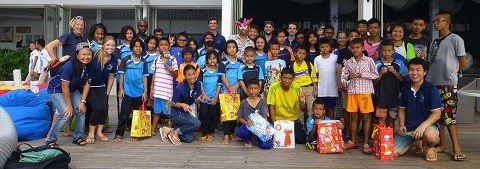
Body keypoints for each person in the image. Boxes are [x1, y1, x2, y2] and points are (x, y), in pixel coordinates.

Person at [426, 11, 468, 161]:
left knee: (449, 116)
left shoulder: (456, 39)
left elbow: (463, 62)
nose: (435, 23)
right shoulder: (434, 41)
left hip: (448, 83)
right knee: (436, 116)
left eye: (438, 20)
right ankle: (443, 144)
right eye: (434, 21)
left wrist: (452, 69)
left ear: (447, 22)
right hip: (432, 83)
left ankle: (457, 148)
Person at [45, 42, 93, 147]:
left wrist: (83, 102)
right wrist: (69, 106)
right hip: (57, 89)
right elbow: (64, 86)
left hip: (72, 89)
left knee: (81, 111)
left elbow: (86, 84)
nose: (86, 57)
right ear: (77, 55)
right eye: (83, 54)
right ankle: (50, 139)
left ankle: (78, 137)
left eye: (88, 54)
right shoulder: (70, 66)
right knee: (65, 113)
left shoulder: (90, 66)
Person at [394, 58, 442, 162]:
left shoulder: (431, 89)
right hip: (409, 129)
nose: (414, 73)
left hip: (427, 128)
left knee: (431, 137)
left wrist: (422, 126)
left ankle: (429, 147)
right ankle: (417, 142)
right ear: (407, 71)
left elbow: (437, 113)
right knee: (392, 152)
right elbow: (402, 109)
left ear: (424, 72)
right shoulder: (405, 88)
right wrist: (401, 125)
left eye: (418, 69)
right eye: (411, 69)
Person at [342, 38, 379, 153]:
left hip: (365, 93)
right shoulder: (348, 62)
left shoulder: (369, 61)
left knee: (366, 118)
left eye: (357, 47)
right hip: (352, 92)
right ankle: (353, 141)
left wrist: (361, 74)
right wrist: (348, 77)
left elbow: (375, 75)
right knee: (353, 117)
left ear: (363, 48)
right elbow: (344, 78)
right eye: (353, 48)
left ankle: (367, 143)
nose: (355, 50)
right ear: (350, 48)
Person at [114, 39, 149, 142]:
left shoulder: (144, 61)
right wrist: (121, 89)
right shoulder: (126, 59)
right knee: (124, 113)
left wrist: (145, 91)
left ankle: (135, 133)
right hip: (128, 91)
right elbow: (121, 74)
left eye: (140, 46)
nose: (138, 48)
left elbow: (145, 77)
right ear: (132, 48)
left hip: (139, 92)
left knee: (137, 114)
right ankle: (119, 134)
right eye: (136, 46)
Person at [159, 65, 203, 145]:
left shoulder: (197, 84)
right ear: (185, 76)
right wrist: (182, 104)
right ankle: (175, 132)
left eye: (193, 74)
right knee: (197, 123)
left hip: (185, 113)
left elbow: (194, 100)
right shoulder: (180, 88)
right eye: (189, 75)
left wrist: (198, 100)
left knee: (188, 138)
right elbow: (171, 103)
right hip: (175, 112)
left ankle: (168, 130)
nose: (192, 77)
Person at [85, 36, 117, 143]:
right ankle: (90, 133)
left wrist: (107, 92)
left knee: (105, 108)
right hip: (89, 86)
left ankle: (99, 132)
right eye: (108, 45)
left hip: (101, 86)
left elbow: (111, 77)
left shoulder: (114, 59)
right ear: (103, 45)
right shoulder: (94, 55)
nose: (110, 47)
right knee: (97, 108)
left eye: (112, 45)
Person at [267, 68, 307, 144]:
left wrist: (302, 102)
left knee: (301, 140)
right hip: (278, 119)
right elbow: (271, 107)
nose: (287, 81)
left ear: (293, 79)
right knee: (272, 139)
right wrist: (274, 124)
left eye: (290, 78)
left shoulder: (297, 88)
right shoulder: (273, 87)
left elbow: (303, 109)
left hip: (293, 119)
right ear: (280, 77)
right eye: (285, 78)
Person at [335, 29, 362, 140]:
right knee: (346, 108)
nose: (353, 37)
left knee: (357, 110)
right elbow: (340, 67)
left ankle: (354, 133)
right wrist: (339, 82)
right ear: (347, 38)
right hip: (346, 84)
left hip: (359, 86)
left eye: (356, 36)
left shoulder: (361, 52)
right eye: (351, 36)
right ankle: (346, 130)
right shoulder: (344, 52)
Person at [150, 40, 178, 136]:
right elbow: (154, 74)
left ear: (169, 47)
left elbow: (176, 74)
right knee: (156, 111)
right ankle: (153, 129)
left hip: (167, 92)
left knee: (168, 112)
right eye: (161, 45)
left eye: (166, 45)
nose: (164, 47)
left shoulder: (173, 59)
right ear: (158, 47)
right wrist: (151, 88)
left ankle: (169, 131)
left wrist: (170, 69)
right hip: (157, 91)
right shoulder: (156, 60)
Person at [375, 40, 405, 128]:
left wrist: (394, 72)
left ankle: (389, 140)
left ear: (393, 51)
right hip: (381, 96)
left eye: (389, 51)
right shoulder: (377, 64)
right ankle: (381, 139)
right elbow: (374, 80)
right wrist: (380, 73)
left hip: (394, 96)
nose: (386, 53)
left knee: (391, 119)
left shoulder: (399, 63)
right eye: (384, 51)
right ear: (380, 51)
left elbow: (402, 79)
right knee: (381, 118)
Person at [236, 79, 273, 149]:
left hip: (260, 127)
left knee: (266, 146)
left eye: (255, 88)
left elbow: (265, 118)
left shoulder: (263, 102)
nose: (253, 90)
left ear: (259, 89)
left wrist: (266, 131)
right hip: (249, 126)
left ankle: (257, 138)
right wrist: (246, 122)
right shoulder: (244, 102)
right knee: (240, 133)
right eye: (250, 88)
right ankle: (249, 139)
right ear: (247, 89)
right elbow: (239, 117)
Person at [220, 40, 243, 144]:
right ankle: (226, 135)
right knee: (226, 113)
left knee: (235, 113)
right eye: (229, 47)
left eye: (234, 47)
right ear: (226, 49)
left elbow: (241, 77)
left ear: (237, 49)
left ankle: (232, 132)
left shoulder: (241, 62)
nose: (232, 49)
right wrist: (230, 87)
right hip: (226, 91)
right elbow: (222, 75)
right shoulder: (223, 61)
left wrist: (236, 87)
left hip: (237, 90)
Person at [198, 51, 223, 143]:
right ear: (207, 60)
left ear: (217, 59)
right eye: (210, 58)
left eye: (214, 58)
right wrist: (204, 95)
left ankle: (211, 131)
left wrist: (216, 97)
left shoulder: (219, 72)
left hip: (214, 98)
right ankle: (205, 132)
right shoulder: (203, 71)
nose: (212, 60)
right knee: (204, 114)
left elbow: (219, 85)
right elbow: (200, 84)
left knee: (213, 114)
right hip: (204, 98)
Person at [290, 46, 317, 126]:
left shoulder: (308, 64)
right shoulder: (291, 66)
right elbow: (291, 80)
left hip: (309, 88)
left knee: (311, 109)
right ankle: (301, 130)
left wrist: (315, 88)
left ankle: (311, 129)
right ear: (295, 54)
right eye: (299, 53)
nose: (301, 55)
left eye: (304, 54)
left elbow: (314, 78)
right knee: (299, 111)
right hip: (297, 89)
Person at [314, 38, 338, 120]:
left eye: (327, 46)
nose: (325, 48)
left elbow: (338, 72)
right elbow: (316, 75)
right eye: (322, 47)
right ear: (319, 48)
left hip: (332, 89)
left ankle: (330, 125)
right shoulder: (317, 59)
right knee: (320, 109)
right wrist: (316, 88)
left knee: (331, 108)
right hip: (321, 90)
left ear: (330, 47)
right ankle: (321, 127)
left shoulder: (335, 58)